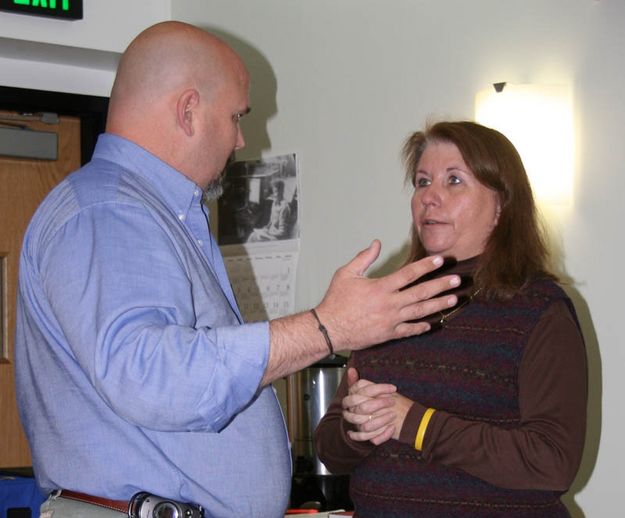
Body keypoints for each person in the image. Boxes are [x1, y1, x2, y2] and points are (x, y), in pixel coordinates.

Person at [13, 22, 463, 518]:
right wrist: (325, 327)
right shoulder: (110, 211)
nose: (241, 137)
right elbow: (149, 375)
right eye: (235, 116)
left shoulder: (149, 213)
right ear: (188, 111)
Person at [314, 121, 587, 517]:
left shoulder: (539, 309)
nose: (430, 197)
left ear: (501, 207)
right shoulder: (386, 303)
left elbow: (551, 461)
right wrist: (359, 427)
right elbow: (330, 450)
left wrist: (416, 423)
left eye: (454, 180)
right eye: (422, 182)